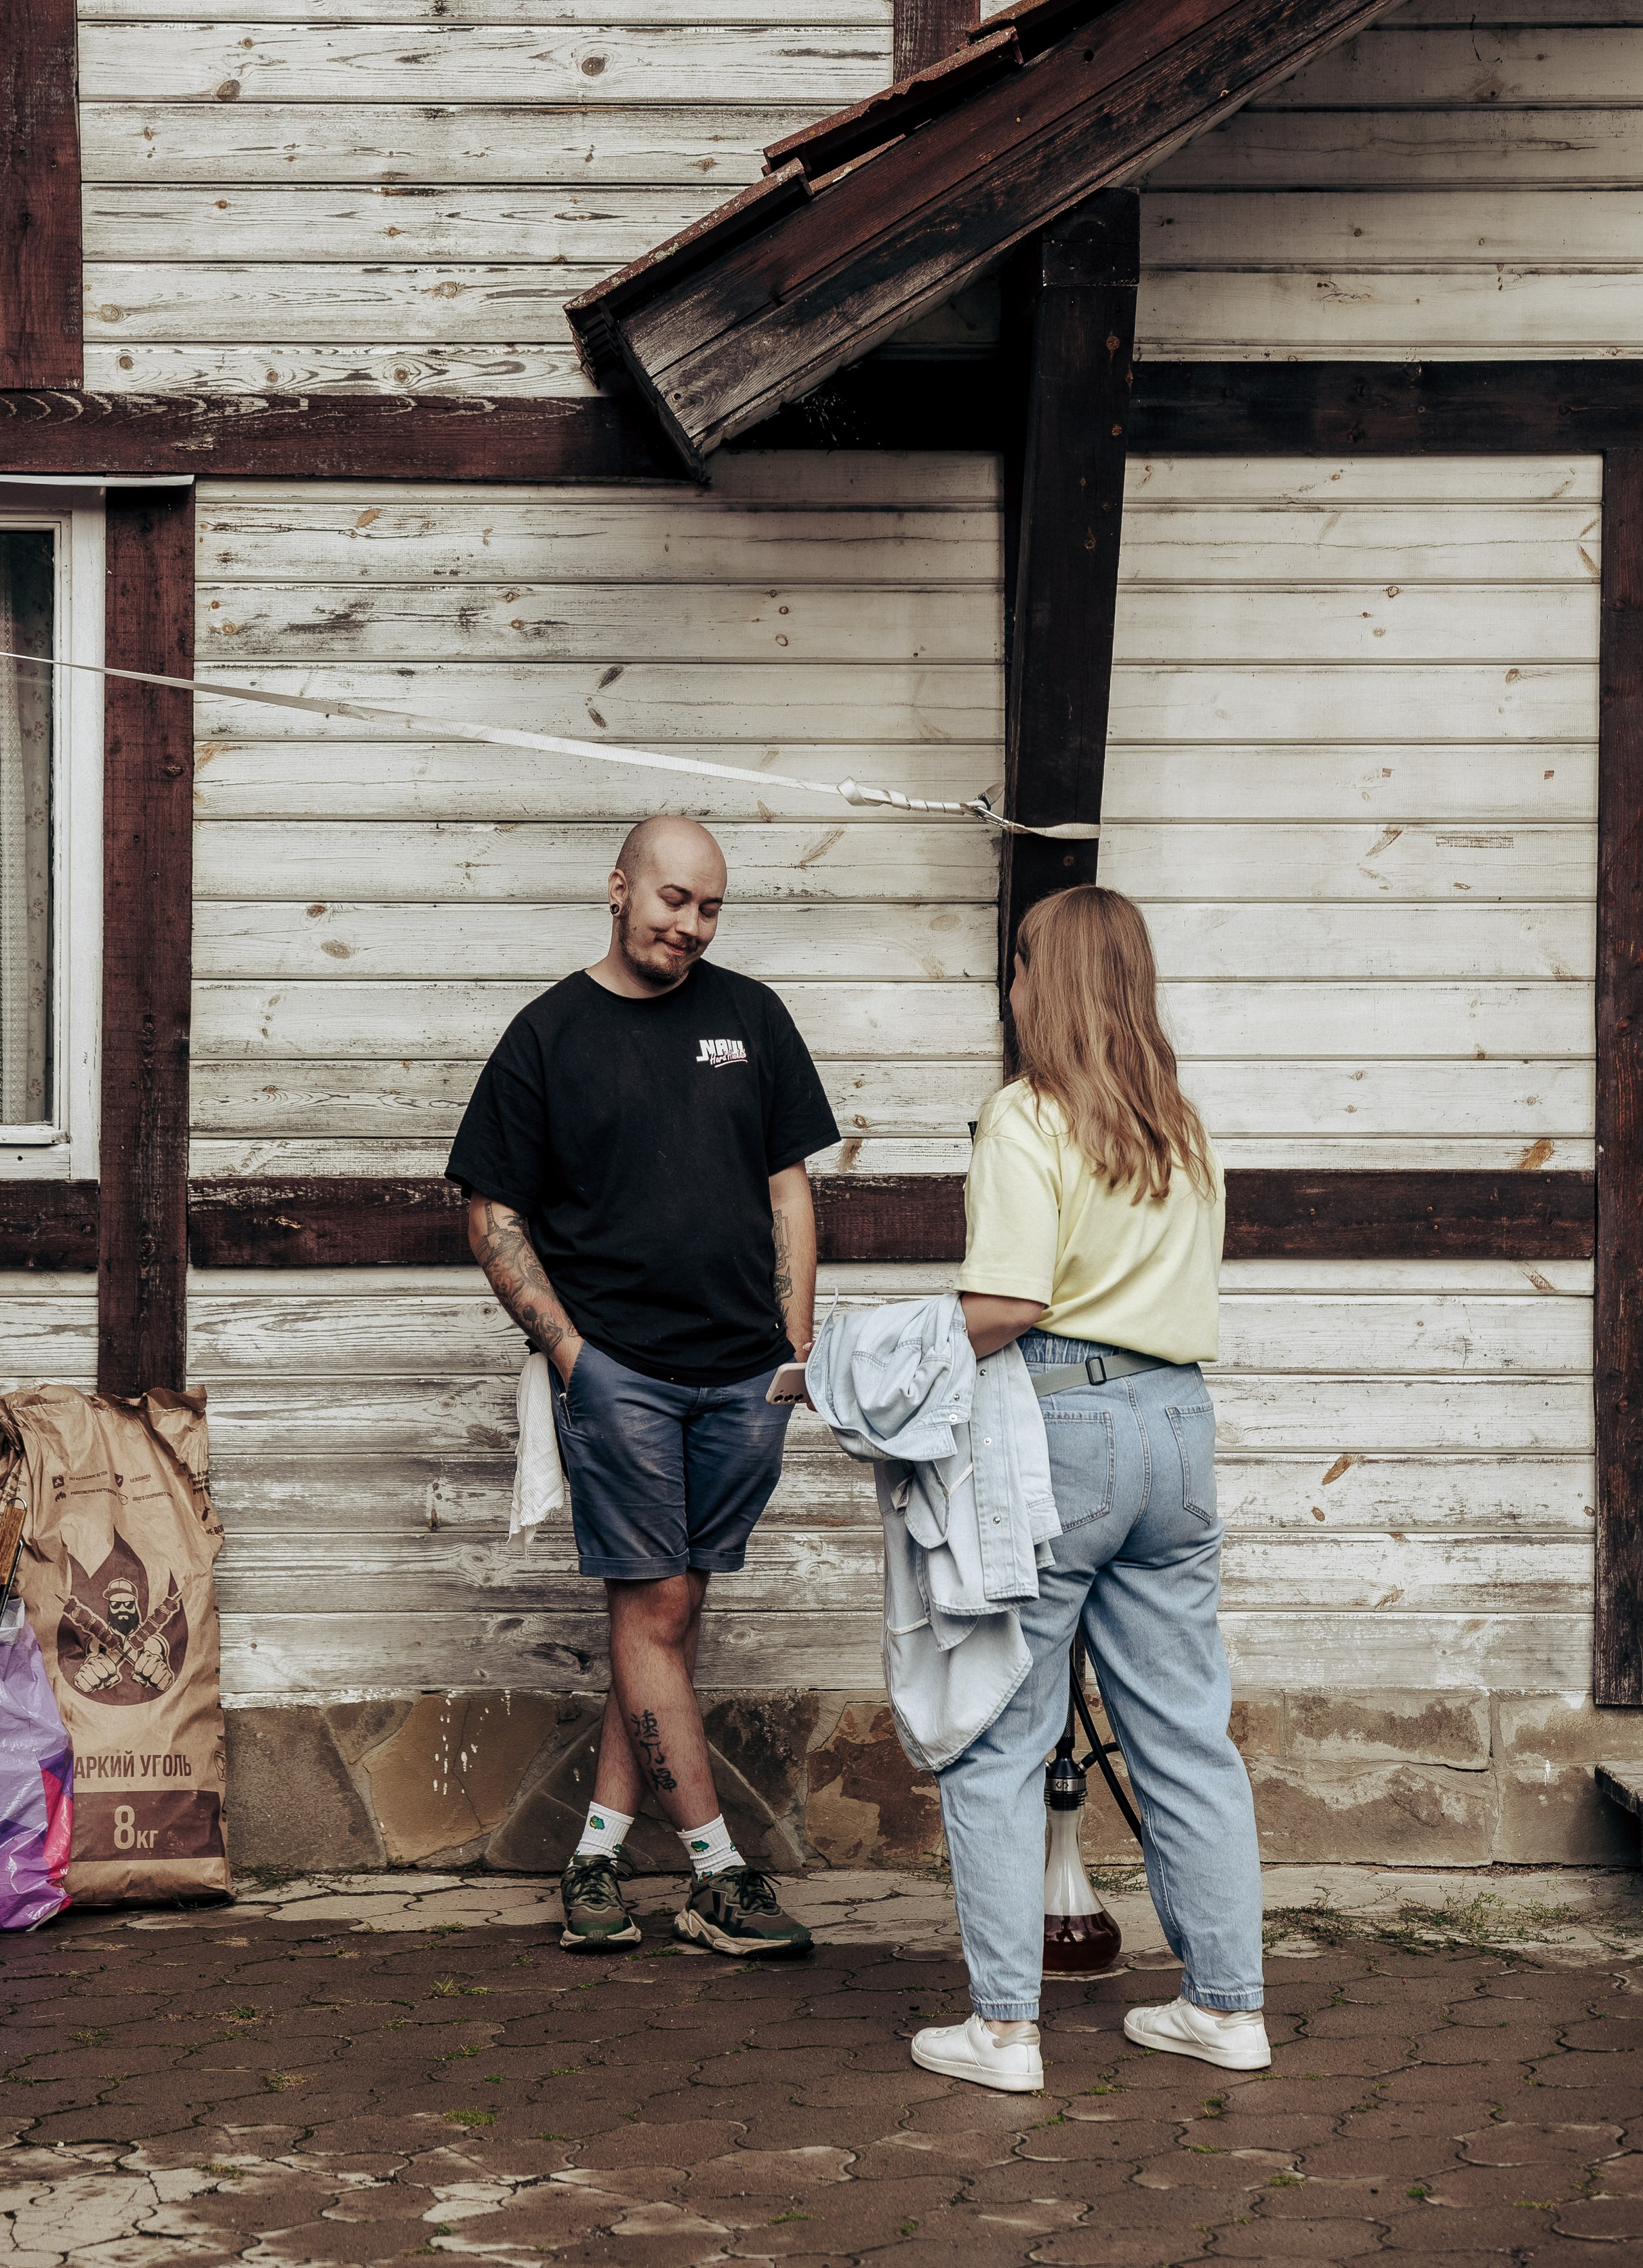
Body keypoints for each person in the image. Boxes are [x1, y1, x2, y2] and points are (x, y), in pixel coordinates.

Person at [447, 815, 840, 1960]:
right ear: (618, 888)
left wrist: (794, 1348)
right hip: (623, 1375)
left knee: (662, 1620)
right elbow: (491, 1214)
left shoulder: (750, 1017)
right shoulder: (549, 1035)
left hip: (743, 1379)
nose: (691, 926)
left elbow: (790, 1190)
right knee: (657, 1615)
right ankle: (718, 1877)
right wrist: (574, 1356)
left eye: (711, 908)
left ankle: (595, 1862)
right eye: (673, 901)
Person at [908, 884, 1268, 2096]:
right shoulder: (1186, 1126)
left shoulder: (1026, 1117)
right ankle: (1227, 2008)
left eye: (1018, 966)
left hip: (1063, 1426)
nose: (1009, 987)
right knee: (1184, 1735)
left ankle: (1005, 2030)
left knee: (1003, 1733)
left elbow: (1007, 1307)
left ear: (1041, 982)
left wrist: (877, 1355)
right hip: (1179, 1424)